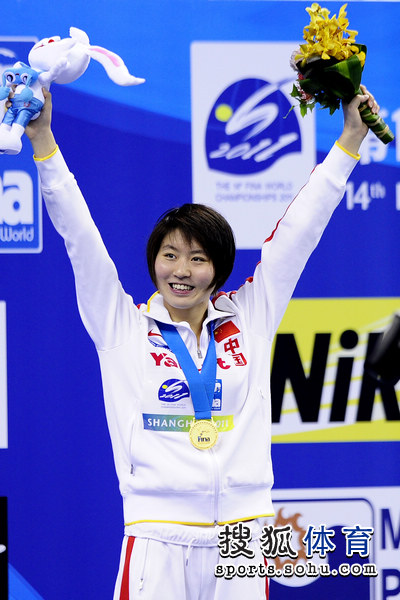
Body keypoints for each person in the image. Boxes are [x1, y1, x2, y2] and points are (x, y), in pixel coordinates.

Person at [23, 85, 378, 599]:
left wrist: (349, 142)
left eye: (197, 258)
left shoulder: (250, 316)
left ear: (218, 268)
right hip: (157, 535)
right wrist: (44, 143)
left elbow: (299, 234)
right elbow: (81, 238)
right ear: (153, 261)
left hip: (243, 536)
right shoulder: (121, 326)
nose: (181, 271)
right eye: (169, 255)